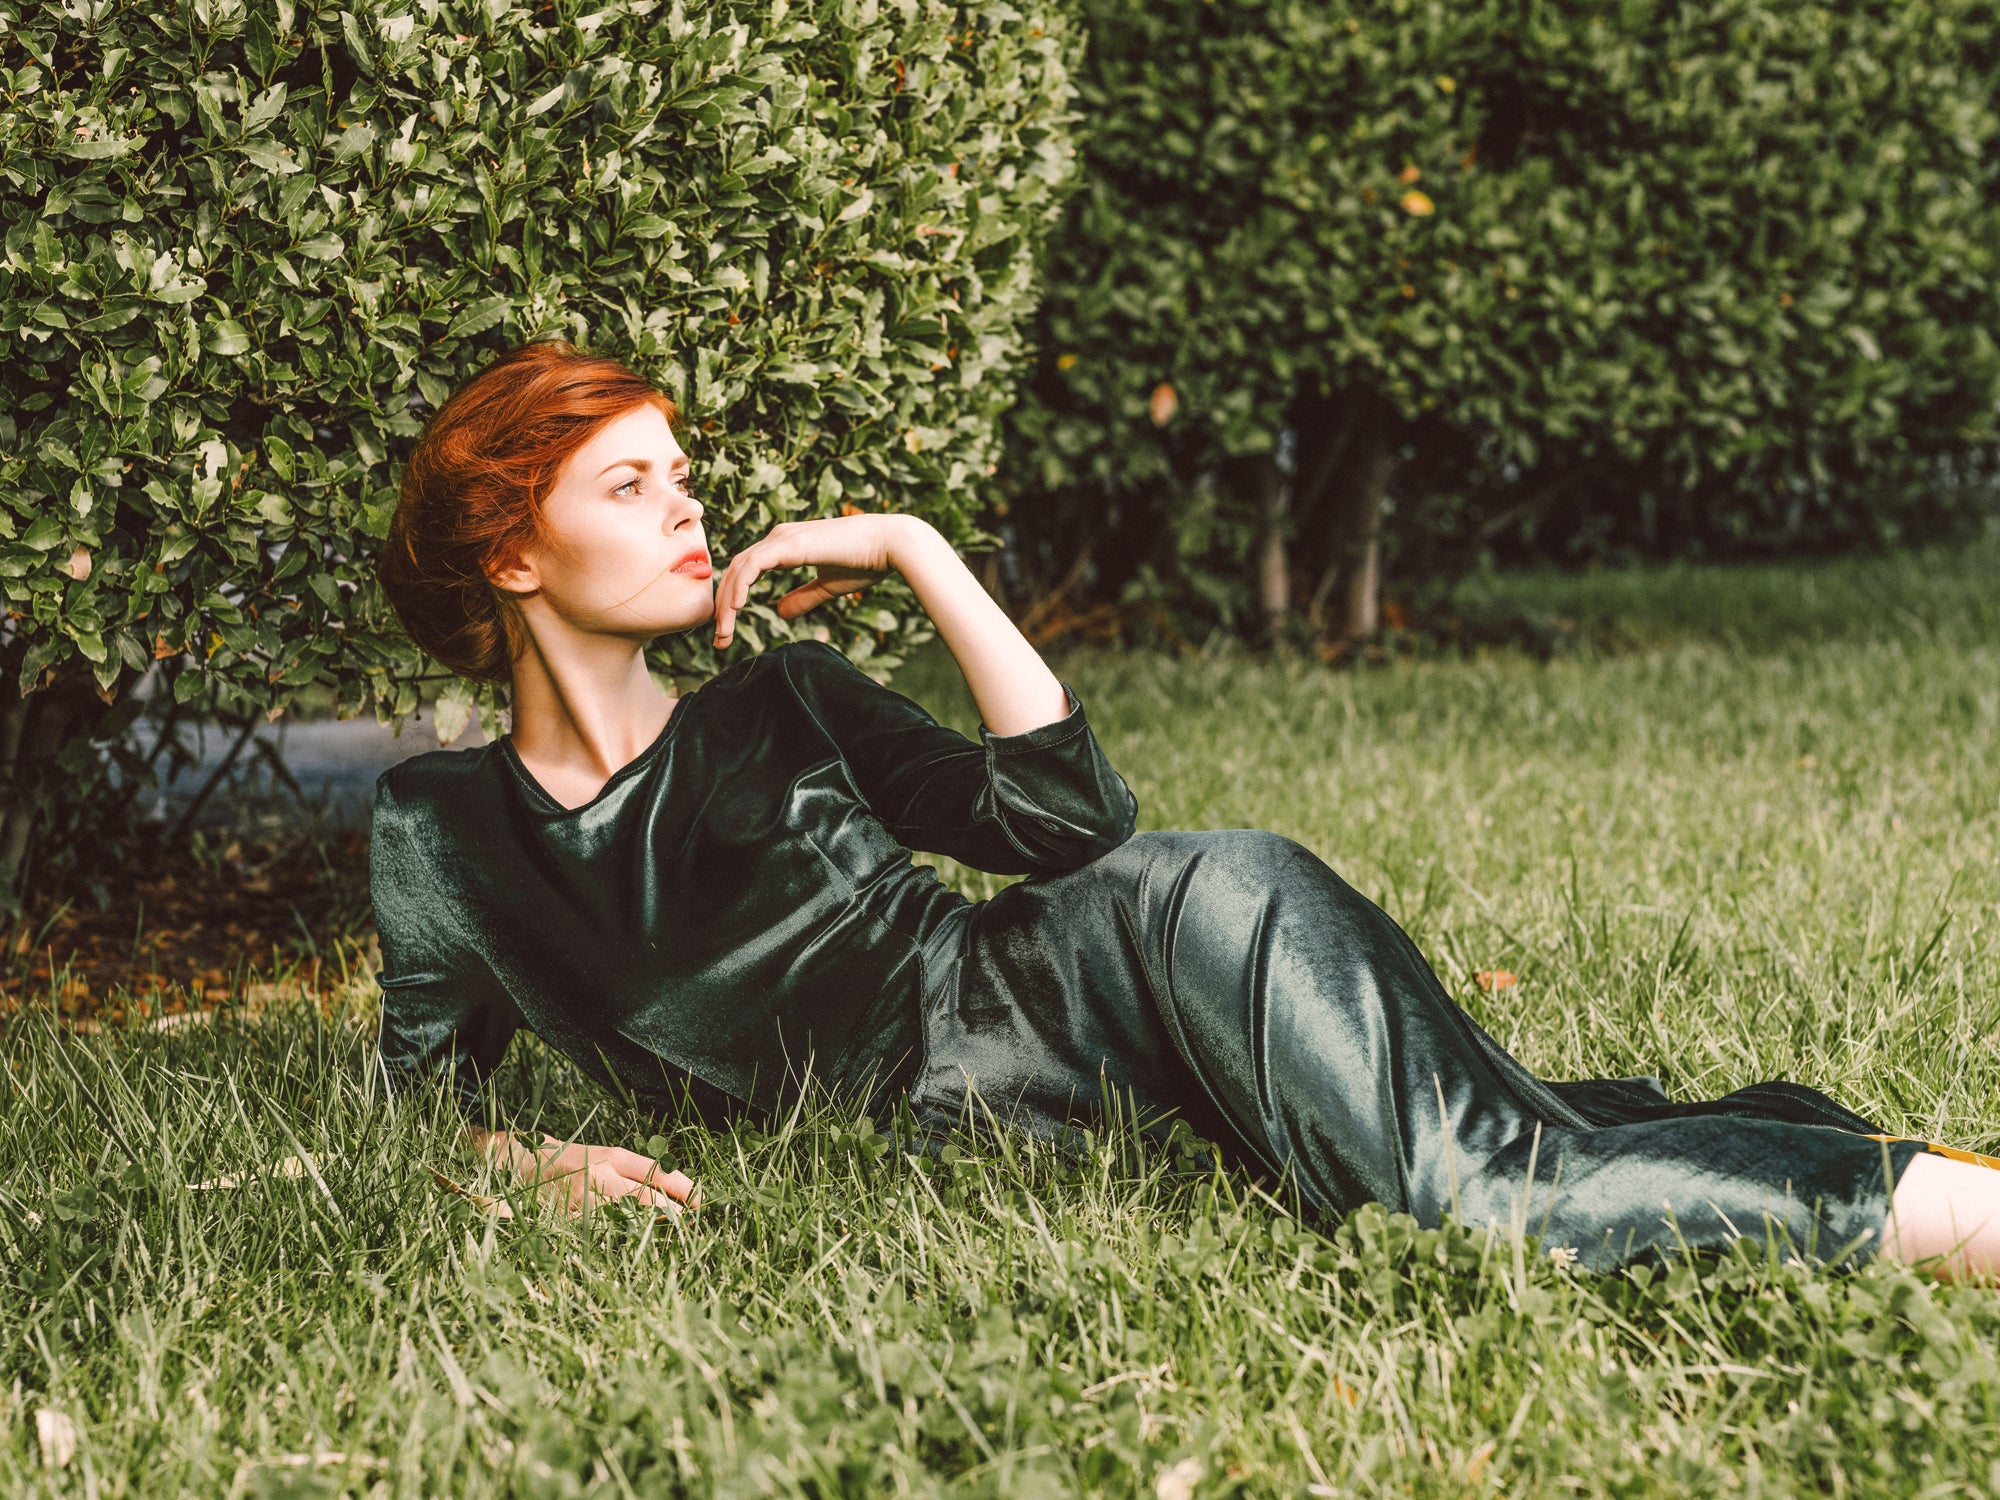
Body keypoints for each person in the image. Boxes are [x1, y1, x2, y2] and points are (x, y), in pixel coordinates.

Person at [371, 339, 2000, 1279]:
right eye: (629, 484)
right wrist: (524, 1162)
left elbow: (1072, 818)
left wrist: (922, 555)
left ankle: (1962, 1220)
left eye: (682, 470)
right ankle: (1877, 1165)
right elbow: (410, 1108)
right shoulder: (442, 834)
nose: (690, 504)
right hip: (1052, 1100)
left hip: (1130, 950)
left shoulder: (780, 698)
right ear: (515, 556)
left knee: (1466, 1200)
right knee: (1500, 1142)